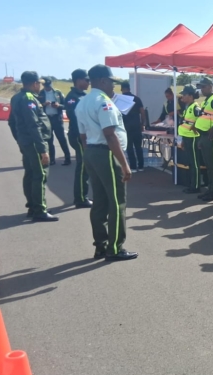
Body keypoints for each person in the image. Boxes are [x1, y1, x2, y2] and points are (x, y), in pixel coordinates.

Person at [75, 64, 137, 261]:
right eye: (111, 82)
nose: (113, 87)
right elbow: (110, 135)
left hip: (92, 152)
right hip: (107, 154)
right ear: (102, 81)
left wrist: (89, 155)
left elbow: (83, 136)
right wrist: (124, 164)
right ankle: (115, 247)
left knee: (100, 202)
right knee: (117, 202)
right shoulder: (104, 102)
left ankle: (100, 245)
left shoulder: (82, 102)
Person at [8, 71, 57, 222]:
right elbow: (34, 125)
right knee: (40, 175)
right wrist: (42, 149)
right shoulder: (29, 99)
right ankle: (39, 210)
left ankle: (33, 205)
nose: (40, 86)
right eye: (39, 84)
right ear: (35, 83)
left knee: (30, 173)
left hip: (26, 141)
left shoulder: (17, 97)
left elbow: (11, 122)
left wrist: (19, 139)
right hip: (35, 142)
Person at [64, 69, 92, 208]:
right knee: (82, 166)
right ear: (78, 80)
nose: (88, 83)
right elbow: (75, 119)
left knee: (85, 167)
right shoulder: (72, 97)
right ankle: (80, 198)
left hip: (85, 134)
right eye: (86, 80)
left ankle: (82, 195)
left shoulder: (84, 95)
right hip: (78, 135)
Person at [194, 77, 213, 201]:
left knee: (212, 165)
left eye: (204, 86)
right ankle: (210, 189)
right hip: (204, 136)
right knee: (208, 165)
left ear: (210, 86)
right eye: (201, 87)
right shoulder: (207, 100)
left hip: (211, 136)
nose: (202, 89)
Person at [39, 78, 71, 165]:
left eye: (49, 86)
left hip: (57, 118)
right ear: (43, 85)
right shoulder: (40, 93)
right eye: (46, 86)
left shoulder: (58, 92)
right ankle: (52, 159)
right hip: (46, 119)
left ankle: (67, 158)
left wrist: (58, 105)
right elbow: (37, 106)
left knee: (62, 139)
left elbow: (65, 105)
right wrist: (43, 104)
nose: (48, 88)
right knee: (49, 140)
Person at [177, 85, 202, 194]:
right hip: (187, 137)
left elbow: (202, 118)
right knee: (191, 162)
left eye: (184, 94)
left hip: (193, 138)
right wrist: (183, 140)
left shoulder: (195, 108)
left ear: (191, 96)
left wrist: (196, 126)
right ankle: (192, 184)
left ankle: (195, 186)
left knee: (194, 162)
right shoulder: (188, 107)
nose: (182, 96)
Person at [119, 81, 146, 173]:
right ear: (129, 88)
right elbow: (142, 112)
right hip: (136, 126)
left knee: (129, 147)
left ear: (121, 89)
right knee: (138, 147)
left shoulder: (120, 99)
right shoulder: (136, 99)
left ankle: (133, 167)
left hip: (125, 126)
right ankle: (141, 166)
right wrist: (142, 124)